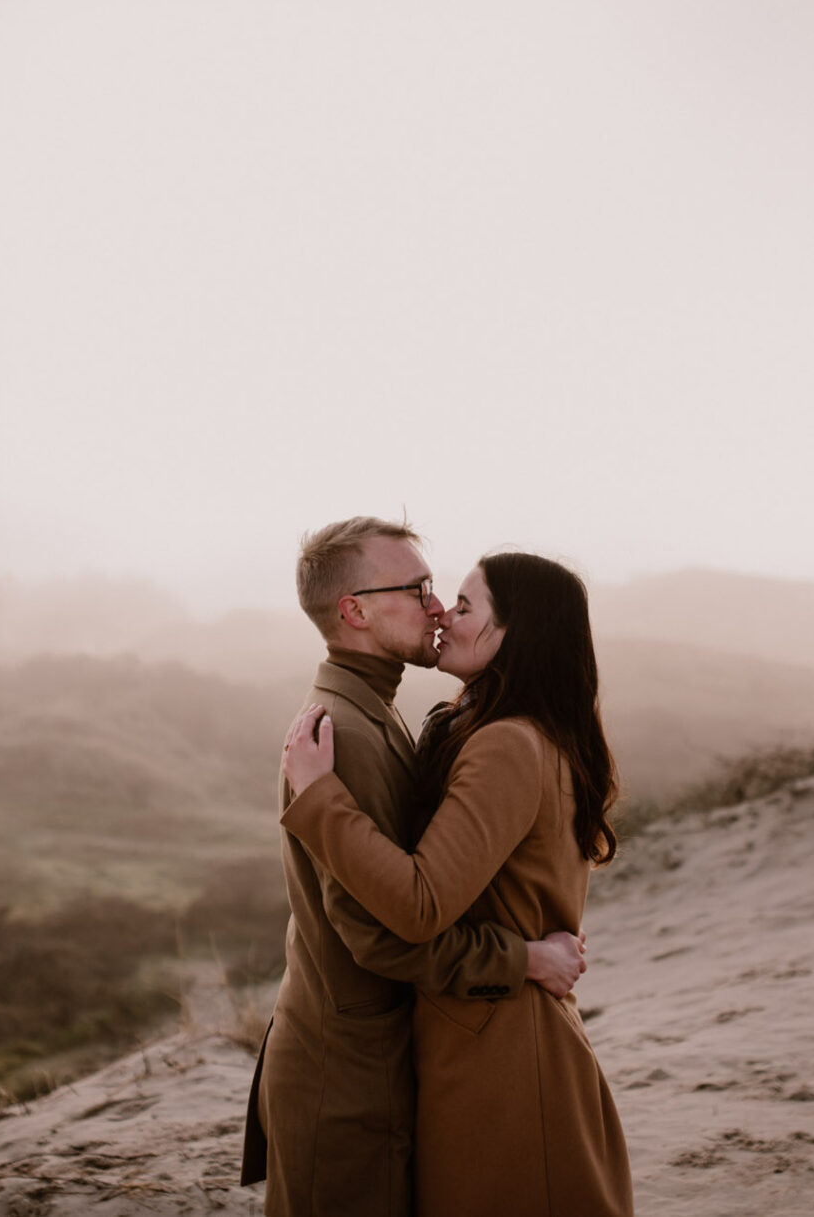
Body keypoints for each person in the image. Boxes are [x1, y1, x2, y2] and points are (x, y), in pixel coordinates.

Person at [243, 518, 589, 1217]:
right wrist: (518, 957)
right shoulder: (343, 734)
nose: (436, 609)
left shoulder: (380, 713)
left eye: (449, 597)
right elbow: (383, 932)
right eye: (420, 589)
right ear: (356, 610)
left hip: (378, 1061)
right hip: (346, 1076)